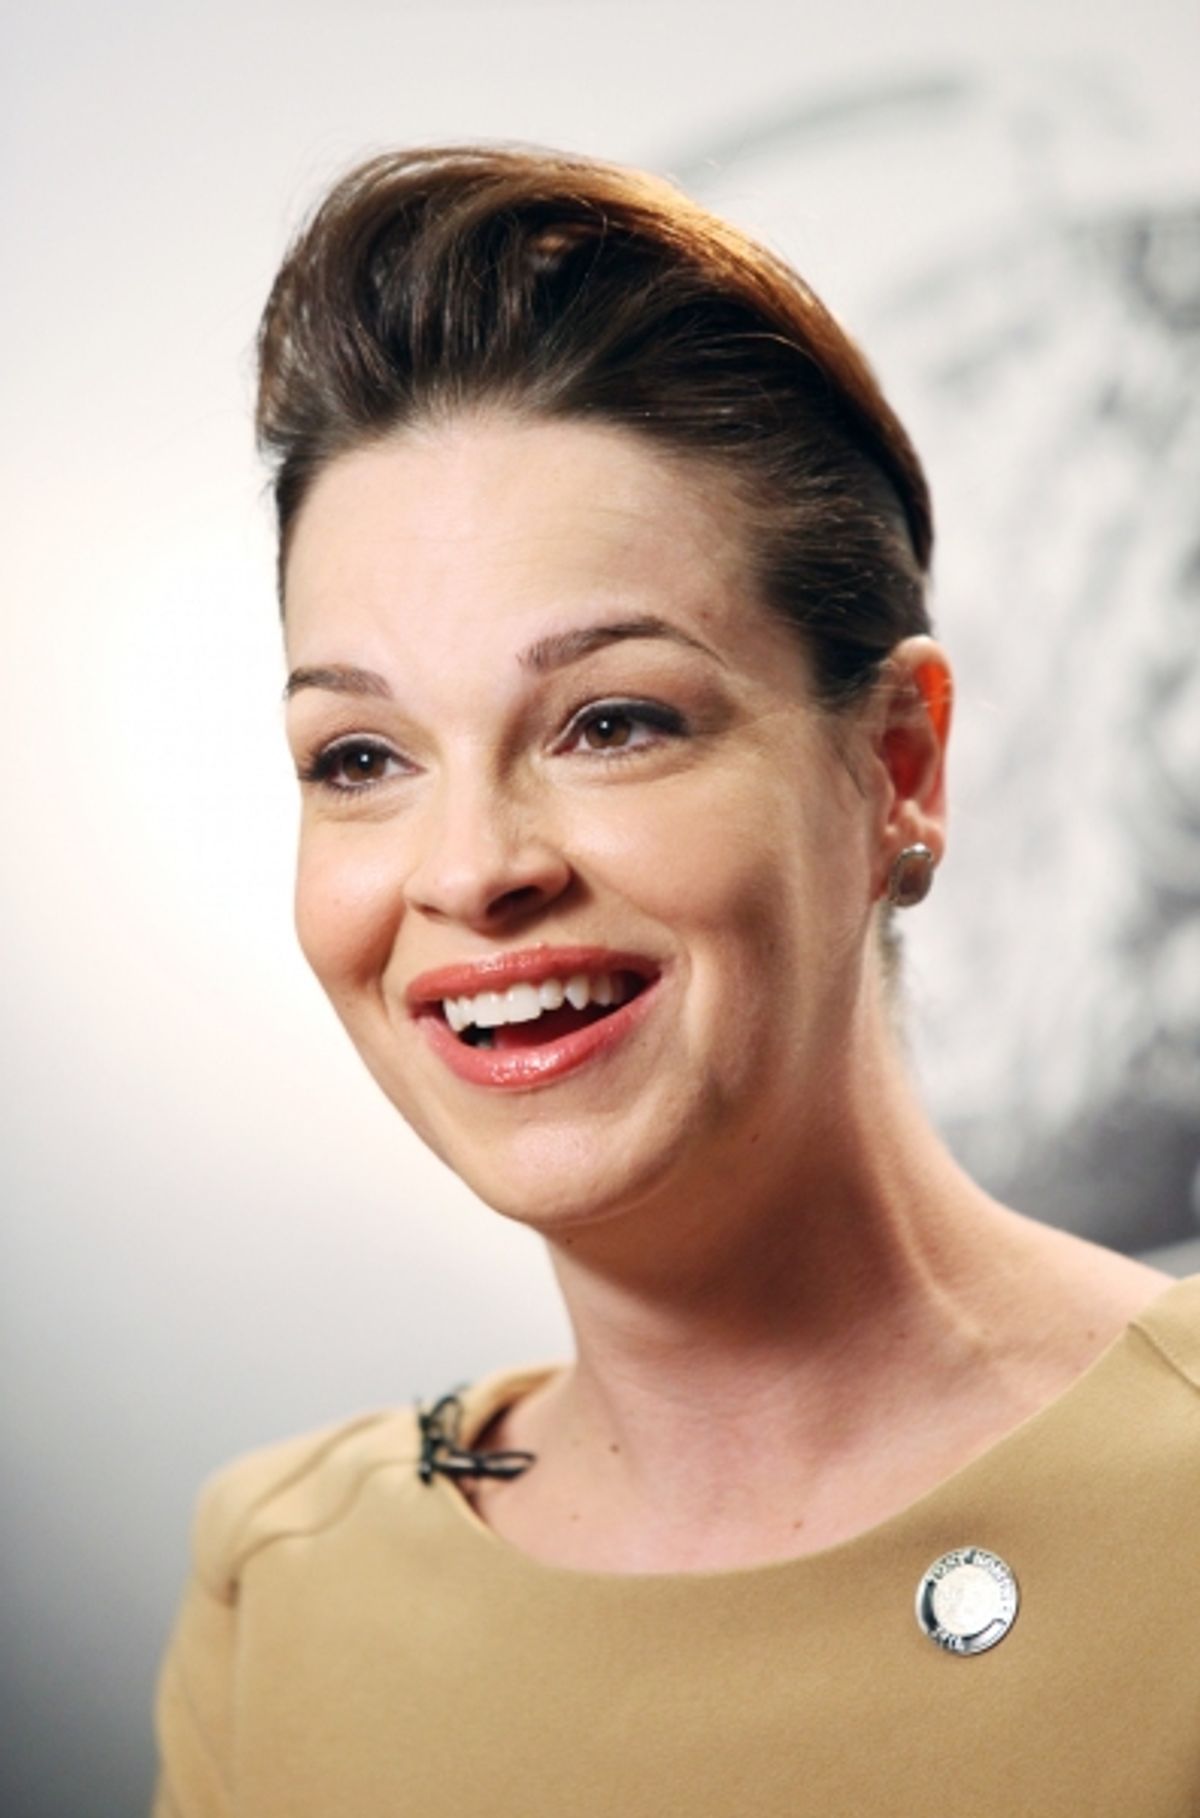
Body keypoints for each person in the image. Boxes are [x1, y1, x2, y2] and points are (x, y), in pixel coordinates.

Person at [152, 145, 1199, 1817]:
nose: (469, 863)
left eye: (613, 721)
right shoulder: (282, 1580)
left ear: (901, 765)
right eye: (360, 754)